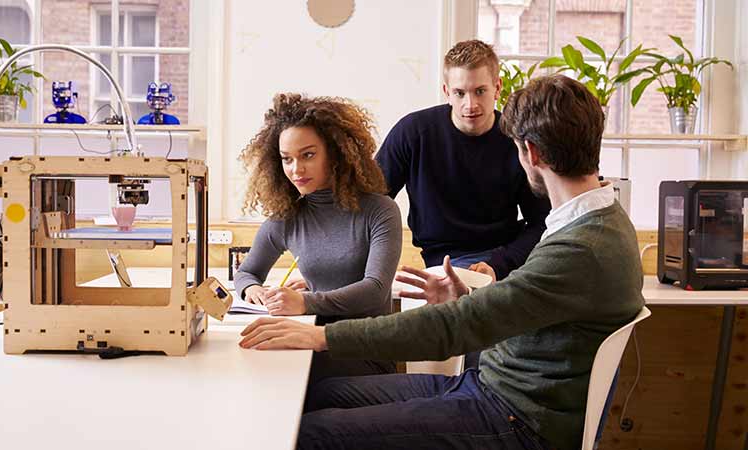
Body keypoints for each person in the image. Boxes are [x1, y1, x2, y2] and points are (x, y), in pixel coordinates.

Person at [239, 75, 646, 450]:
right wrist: (463, 298)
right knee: (320, 396)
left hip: (516, 419)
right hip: (489, 386)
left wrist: (321, 337)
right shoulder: (593, 224)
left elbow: (455, 328)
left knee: (310, 434)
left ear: (531, 152)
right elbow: (519, 308)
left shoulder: (582, 246)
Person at [234, 93, 402, 385]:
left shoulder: (380, 211)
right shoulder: (288, 217)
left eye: (308, 155)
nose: (296, 169)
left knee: (272, 379)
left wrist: (305, 302)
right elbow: (247, 273)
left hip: (363, 353)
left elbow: (374, 289)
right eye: (287, 159)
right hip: (307, 340)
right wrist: (254, 292)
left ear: (335, 154)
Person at [376, 39, 550, 282]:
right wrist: (377, 270)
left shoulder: (517, 140)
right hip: (442, 263)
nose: (470, 105)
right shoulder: (413, 133)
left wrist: (498, 265)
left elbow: (543, 222)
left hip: (506, 258)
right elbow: (372, 202)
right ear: (447, 92)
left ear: (497, 88)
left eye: (480, 91)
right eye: (460, 93)